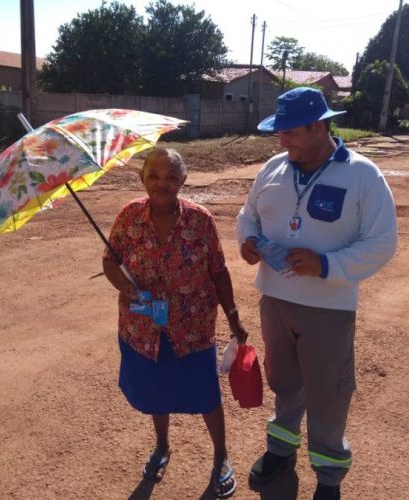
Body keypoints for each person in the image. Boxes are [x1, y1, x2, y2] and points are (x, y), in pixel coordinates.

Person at [236, 87, 397, 500]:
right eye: (280, 131)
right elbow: (247, 215)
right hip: (275, 301)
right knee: (284, 382)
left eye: (290, 131)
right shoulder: (273, 168)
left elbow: (381, 242)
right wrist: (249, 242)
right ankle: (281, 449)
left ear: (319, 125)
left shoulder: (362, 175)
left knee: (328, 392)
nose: (282, 139)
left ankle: (328, 477)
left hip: (328, 307)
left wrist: (327, 265)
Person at [103, 147, 248, 499]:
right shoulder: (129, 216)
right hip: (143, 327)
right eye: (154, 175)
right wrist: (127, 287)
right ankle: (162, 446)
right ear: (142, 178)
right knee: (156, 392)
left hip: (192, 326)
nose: (161, 183)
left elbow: (218, 271)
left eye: (170, 177)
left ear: (182, 180)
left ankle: (221, 456)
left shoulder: (200, 220)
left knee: (206, 394)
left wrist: (233, 317)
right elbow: (110, 260)